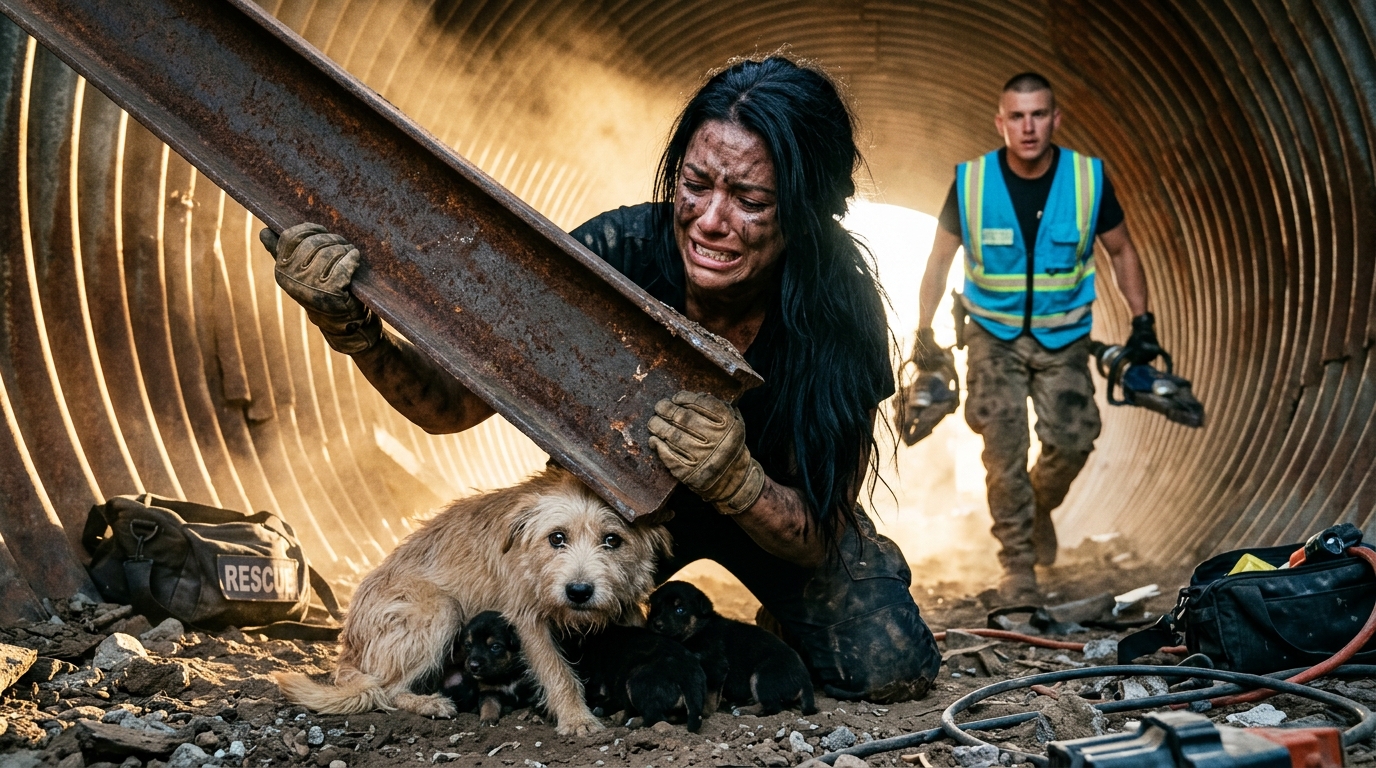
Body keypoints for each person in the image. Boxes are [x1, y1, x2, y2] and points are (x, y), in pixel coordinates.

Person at [265, 56, 942, 703]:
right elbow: (449, 405)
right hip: (611, 521)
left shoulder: (840, 306)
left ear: (804, 207)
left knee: (886, 664)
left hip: (772, 523)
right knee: (499, 664)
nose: (711, 220)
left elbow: (821, 528)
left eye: (750, 199)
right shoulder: (609, 259)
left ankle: (782, 622)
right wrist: (354, 329)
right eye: (696, 184)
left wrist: (737, 480)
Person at [905, 72, 1161, 604]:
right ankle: (1018, 566)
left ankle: (1038, 504)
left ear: (1055, 120)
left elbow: (1123, 250)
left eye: (1038, 115)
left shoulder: (1087, 179)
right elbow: (938, 259)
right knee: (1004, 450)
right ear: (1000, 122)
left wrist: (1142, 323)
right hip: (992, 337)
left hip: (1062, 337)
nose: (1028, 127)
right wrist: (924, 331)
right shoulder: (972, 182)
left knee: (1073, 439)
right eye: (1017, 117)